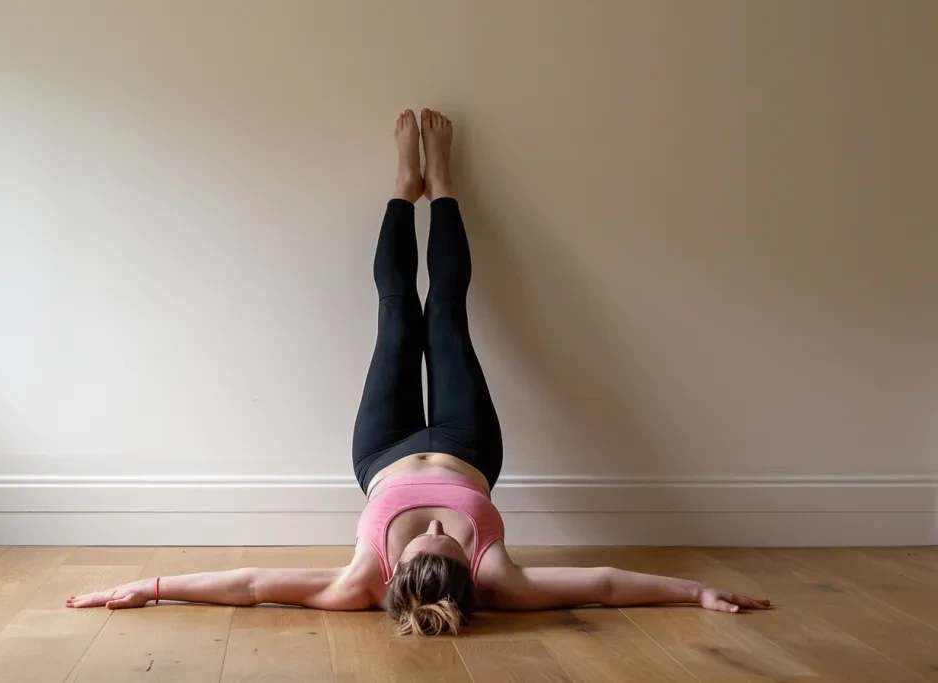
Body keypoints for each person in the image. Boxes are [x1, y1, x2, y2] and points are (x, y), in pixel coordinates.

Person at [67, 109, 770, 636]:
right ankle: (446, 188)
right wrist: (696, 592)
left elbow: (252, 584)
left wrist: (149, 586)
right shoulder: (497, 579)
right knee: (450, 316)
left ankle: (404, 188)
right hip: (468, 444)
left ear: (395, 573)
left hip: (381, 450)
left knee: (398, 313)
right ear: (470, 575)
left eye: (423, 542)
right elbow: (610, 584)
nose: (435, 529)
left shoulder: (358, 579)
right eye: (448, 541)